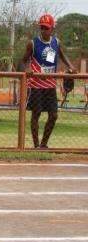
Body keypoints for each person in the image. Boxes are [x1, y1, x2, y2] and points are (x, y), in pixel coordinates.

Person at [21, 14, 76, 149]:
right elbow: (23, 60)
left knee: (54, 115)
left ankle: (43, 144)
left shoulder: (56, 42)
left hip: (50, 85)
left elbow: (62, 56)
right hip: (36, 85)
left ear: (52, 29)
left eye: (46, 28)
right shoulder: (32, 43)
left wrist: (70, 66)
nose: (44, 30)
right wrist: (27, 68)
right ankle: (36, 146)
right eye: (42, 28)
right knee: (36, 114)